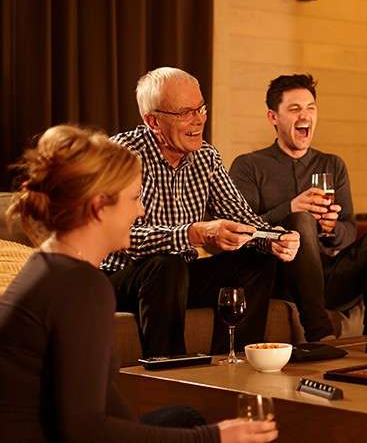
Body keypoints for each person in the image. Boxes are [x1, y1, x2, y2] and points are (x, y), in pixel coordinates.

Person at [0, 125, 278, 442]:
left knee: (184, 417)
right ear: (99, 207)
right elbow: (85, 430)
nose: (141, 210)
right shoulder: (81, 285)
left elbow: (102, 407)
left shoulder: (47, 265)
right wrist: (211, 438)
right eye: (134, 198)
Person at [103, 67, 301, 358]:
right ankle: (170, 370)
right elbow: (120, 236)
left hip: (178, 277)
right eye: (185, 112)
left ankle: (232, 362)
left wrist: (273, 238)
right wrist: (193, 234)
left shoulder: (206, 156)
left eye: (201, 108)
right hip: (122, 277)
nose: (199, 120)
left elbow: (240, 215)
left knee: (257, 260)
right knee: (165, 264)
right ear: (153, 121)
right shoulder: (123, 154)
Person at [229, 73, 367, 342]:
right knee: (300, 220)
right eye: (294, 109)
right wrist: (291, 208)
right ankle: (319, 333)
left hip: (330, 277)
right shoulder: (248, 166)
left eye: (311, 108)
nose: (305, 115)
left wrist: (330, 229)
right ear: (273, 117)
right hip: (281, 278)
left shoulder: (332, 164)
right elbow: (240, 230)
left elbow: (348, 231)